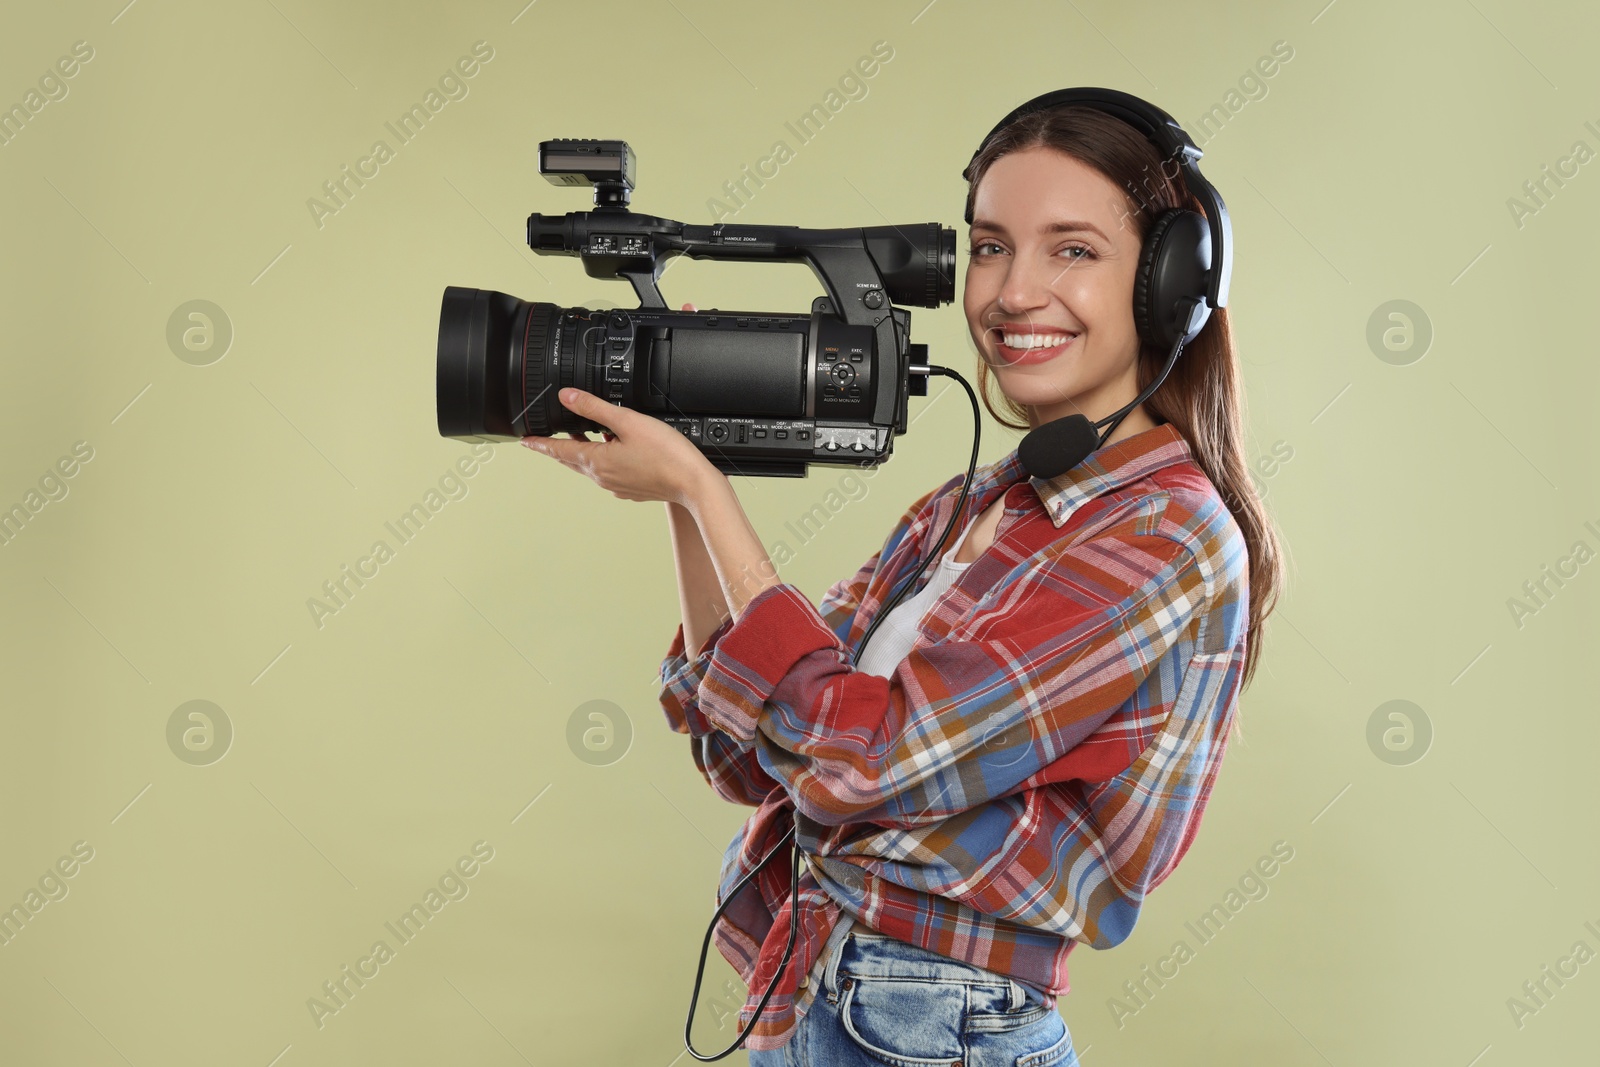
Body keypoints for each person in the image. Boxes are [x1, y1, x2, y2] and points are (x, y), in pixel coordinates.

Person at [522, 102, 1284, 1064]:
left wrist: (704, 492)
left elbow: (862, 762)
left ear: (1169, 284)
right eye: (993, 247)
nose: (1013, 292)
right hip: (817, 997)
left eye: (1074, 251)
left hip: (936, 1028)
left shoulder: (1166, 533)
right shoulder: (962, 510)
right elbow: (751, 753)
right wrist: (682, 475)